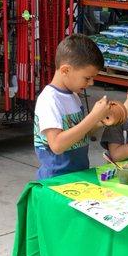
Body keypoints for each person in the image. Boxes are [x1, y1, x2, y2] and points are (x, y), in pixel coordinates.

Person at [34, 34, 110, 179]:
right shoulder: (49, 99)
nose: (92, 83)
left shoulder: (73, 96)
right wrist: (93, 116)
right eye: (87, 78)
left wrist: (99, 121)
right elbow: (57, 145)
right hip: (56, 181)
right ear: (65, 70)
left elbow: (79, 134)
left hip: (77, 176)